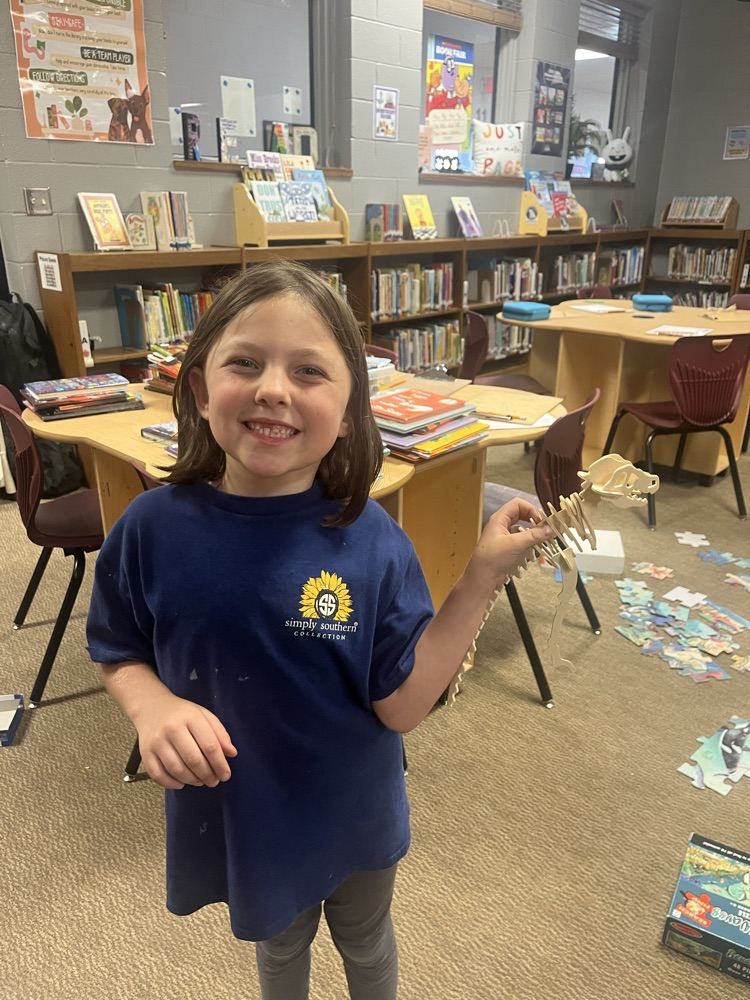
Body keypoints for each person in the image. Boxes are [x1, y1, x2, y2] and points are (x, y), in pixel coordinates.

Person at [86, 259, 552, 1000]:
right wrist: (151, 706)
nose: (274, 388)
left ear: (349, 410)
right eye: (246, 362)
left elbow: (401, 706)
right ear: (201, 389)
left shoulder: (373, 542)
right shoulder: (150, 528)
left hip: (355, 810)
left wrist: (480, 577)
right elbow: (116, 645)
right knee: (280, 951)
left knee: (367, 943)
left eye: (308, 370)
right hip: (251, 816)